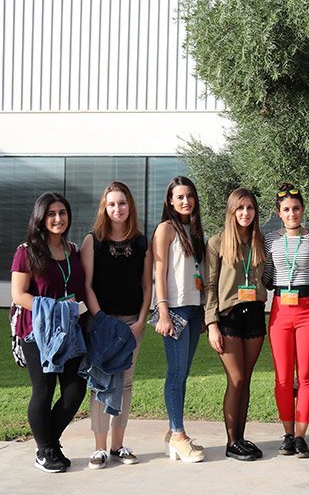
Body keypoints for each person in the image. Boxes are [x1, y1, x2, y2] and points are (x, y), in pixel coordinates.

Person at [11, 192, 97, 473]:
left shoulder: (73, 250)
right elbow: (18, 294)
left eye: (62, 212)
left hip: (72, 332)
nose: (58, 218)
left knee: (75, 390)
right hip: (38, 334)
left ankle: (49, 442)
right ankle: (46, 450)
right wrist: (55, 308)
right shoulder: (27, 251)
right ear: (41, 218)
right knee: (44, 390)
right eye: (51, 214)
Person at [80, 181, 152, 469]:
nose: (117, 209)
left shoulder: (141, 242)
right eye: (111, 204)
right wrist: (101, 320)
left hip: (133, 324)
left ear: (129, 206)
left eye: (122, 203)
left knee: (125, 384)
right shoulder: (93, 241)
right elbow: (86, 285)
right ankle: (98, 449)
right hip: (103, 325)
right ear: (104, 207)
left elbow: (147, 285)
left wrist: (141, 320)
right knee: (100, 384)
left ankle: (117, 446)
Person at [263, 183, 309, 459]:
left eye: (296, 208)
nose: (292, 214)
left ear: (303, 210)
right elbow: (267, 279)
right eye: (287, 210)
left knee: (305, 376)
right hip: (280, 310)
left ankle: (301, 436)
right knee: (282, 378)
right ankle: (288, 434)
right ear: (279, 213)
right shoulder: (270, 241)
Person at [204, 188, 268, 462]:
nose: (245, 213)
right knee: (236, 378)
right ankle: (231, 442)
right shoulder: (217, 242)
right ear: (231, 211)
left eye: (250, 208)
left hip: (254, 314)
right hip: (228, 316)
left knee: (247, 380)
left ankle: (241, 438)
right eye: (240, 209)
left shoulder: (259, 241)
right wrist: (211, 324)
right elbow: (209, 285)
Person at [153, 176, 207, 463]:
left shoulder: (194, 230)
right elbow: (159, 274)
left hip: (194, 309)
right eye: (180, 197)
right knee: (175, 374)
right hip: (174, 310)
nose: (186, 201)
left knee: (182, 374)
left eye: (189, 196)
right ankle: (177, 434)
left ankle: (173, 432)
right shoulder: (165, 229)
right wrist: (163, 312)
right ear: (170, 201)